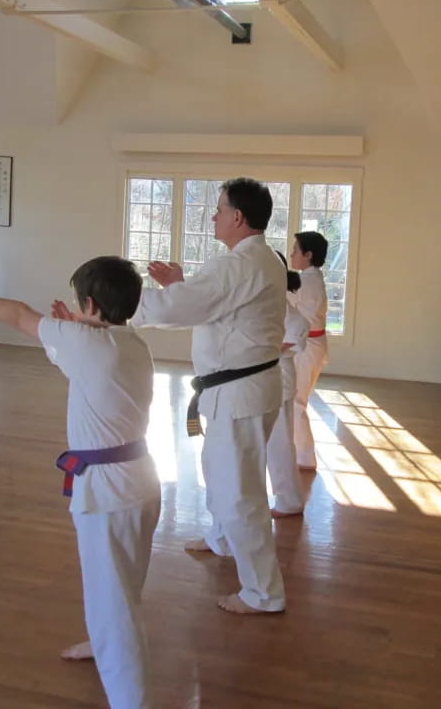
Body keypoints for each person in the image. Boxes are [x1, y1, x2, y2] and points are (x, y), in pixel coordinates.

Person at [0, 255, 161, 709]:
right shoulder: (131, 344)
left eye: (80, 305)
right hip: (139, 483)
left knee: (114, 599)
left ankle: (130, 699)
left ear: (90, 304)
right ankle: (101, 644)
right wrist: (74, 328)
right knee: (119, 583)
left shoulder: (87, 341)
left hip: (109, 492)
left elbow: (18, 313)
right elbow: (79, 362)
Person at [131, 177, 287, 615]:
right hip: (239, 389)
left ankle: (264, 593)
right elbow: (210, 306)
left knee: (241, 492)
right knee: (218, 469)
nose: (214, 216)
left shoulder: (239, 265)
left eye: (219, 209)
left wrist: (114, 304)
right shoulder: (257, 259)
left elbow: (182, 308)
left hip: (240, 391)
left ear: (238, 217)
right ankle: (222, 538)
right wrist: (181, 285)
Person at [267, 252, 309, 518]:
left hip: (278, 377)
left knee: (279, 441)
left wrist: (267, 350)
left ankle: (289, 500)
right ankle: (286, 498)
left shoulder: (283, 307)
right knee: (271, 442)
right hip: (266, 378)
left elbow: (298, 328)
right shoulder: (270, 302)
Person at [288, 231, 329, 470]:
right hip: (311, 347)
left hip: (308, 348)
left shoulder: (308, 281)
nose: (292, 254)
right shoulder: (310, 278)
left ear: (309, 255)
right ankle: (299, 453)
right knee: (296, 400)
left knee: (296, 402)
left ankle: (304, 458)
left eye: (295, 251)